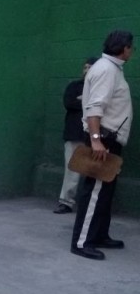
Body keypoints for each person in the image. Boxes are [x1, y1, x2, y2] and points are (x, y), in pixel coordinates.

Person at [70, 30, 134, 260]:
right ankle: (81, 242)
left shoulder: (111, 68)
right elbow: (95, 108)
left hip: (109, 139)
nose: (132, 52)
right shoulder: (106, 70)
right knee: (95, 192)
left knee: (105, 191)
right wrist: (97, 142)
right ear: (124, 48)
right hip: (103, 140)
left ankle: (99, 235)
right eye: (131, 47)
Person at [54, 57, 98, 214]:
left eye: (90, 68)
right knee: (71, 170)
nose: (86, 70)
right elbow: (69, 103)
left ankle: (91, 205)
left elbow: (102, 107)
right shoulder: (74, 86)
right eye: (85, 67)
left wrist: (84, 101)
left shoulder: (100, 89)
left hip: (96, 136)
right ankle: (66, 202)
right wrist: (89, 103)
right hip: (75, 134)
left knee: (95, 171)